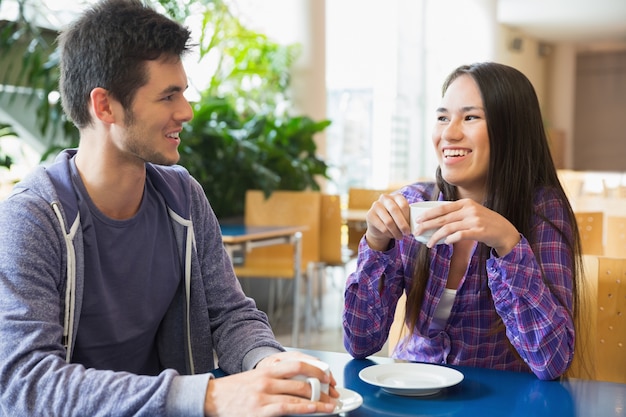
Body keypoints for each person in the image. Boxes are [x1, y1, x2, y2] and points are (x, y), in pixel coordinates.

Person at [0, 0, 339, 416]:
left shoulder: (183, 195)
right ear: (104, 106)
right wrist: (209, 397)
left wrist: (268, 363)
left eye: (184, 92)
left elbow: (230, 314)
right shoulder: (32, 219)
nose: (187, 112)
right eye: (168, 96)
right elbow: (26, 385)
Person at [343, 62, 584, 381]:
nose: (449, 133)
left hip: (500, 402)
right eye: (443, 117)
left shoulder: (542, 211)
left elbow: (551, 361)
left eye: (470, 117)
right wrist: (375, 243)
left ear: (511, 130)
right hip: (412, 391)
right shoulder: (413, 204)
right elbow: (360, 343)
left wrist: (507, 243)